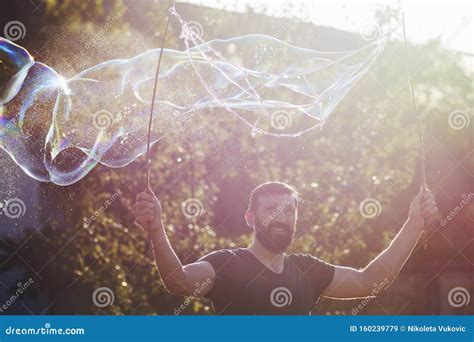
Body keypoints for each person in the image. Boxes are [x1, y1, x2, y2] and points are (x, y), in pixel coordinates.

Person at [133, 181, 437, 315]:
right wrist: (157, 227)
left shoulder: (306, 270)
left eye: (290, 211)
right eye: (272, 209)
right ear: (250, 218)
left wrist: (414, 223)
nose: (282, 217)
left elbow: (370, 281)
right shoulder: (227, 263)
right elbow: (179, 281)